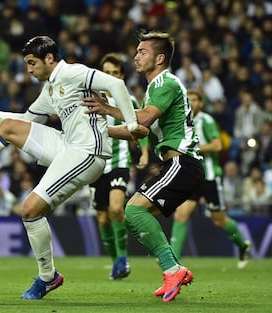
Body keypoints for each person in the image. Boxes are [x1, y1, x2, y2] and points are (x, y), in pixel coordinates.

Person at [0, 35, 147, 299]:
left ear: (49, 58)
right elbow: (25, 120)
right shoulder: (50, 89)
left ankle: (48, 277)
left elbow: (116, 84)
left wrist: (131, 124)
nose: (28, 69)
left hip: (87, 152)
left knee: (29, 209)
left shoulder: (73, 73)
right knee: (8, 128)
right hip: (67, 145)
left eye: (32, 63)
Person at [83, 30, 204, 302]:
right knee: (135, 216)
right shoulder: (156, 87)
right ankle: (175, 269)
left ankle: (172, 269)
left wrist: (107, 110)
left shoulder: (164, 82)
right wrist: (100, 131)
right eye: (136, 51)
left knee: (133, 210)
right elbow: (136, 131)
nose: (136, 56)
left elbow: (144, 120)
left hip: (182, 162)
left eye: (142, 52)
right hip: (179, 164)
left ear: (159, 58)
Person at [169, 90, 252, 269]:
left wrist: (195, 148)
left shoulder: (206, 120)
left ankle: (243, 246)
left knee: (219, 220)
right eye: (188, 100)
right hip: (192, 176)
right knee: (181, 215)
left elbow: (218, 144)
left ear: (201, 104)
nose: (191, 103)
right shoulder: (181, 120)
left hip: (209, 176)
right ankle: (173, 260)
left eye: (195, 100)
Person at [89, 52, 149, 280]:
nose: (111, 77)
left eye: (115, 73)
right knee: (103, 218)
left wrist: (144, 151)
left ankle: (123, 258)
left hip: (119, 162)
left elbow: (139, 126)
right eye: (107, 73)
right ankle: (115, 261)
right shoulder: (90, 97)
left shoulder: (128, 100)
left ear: (121, 76)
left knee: (116, 209)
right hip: (94, 163)